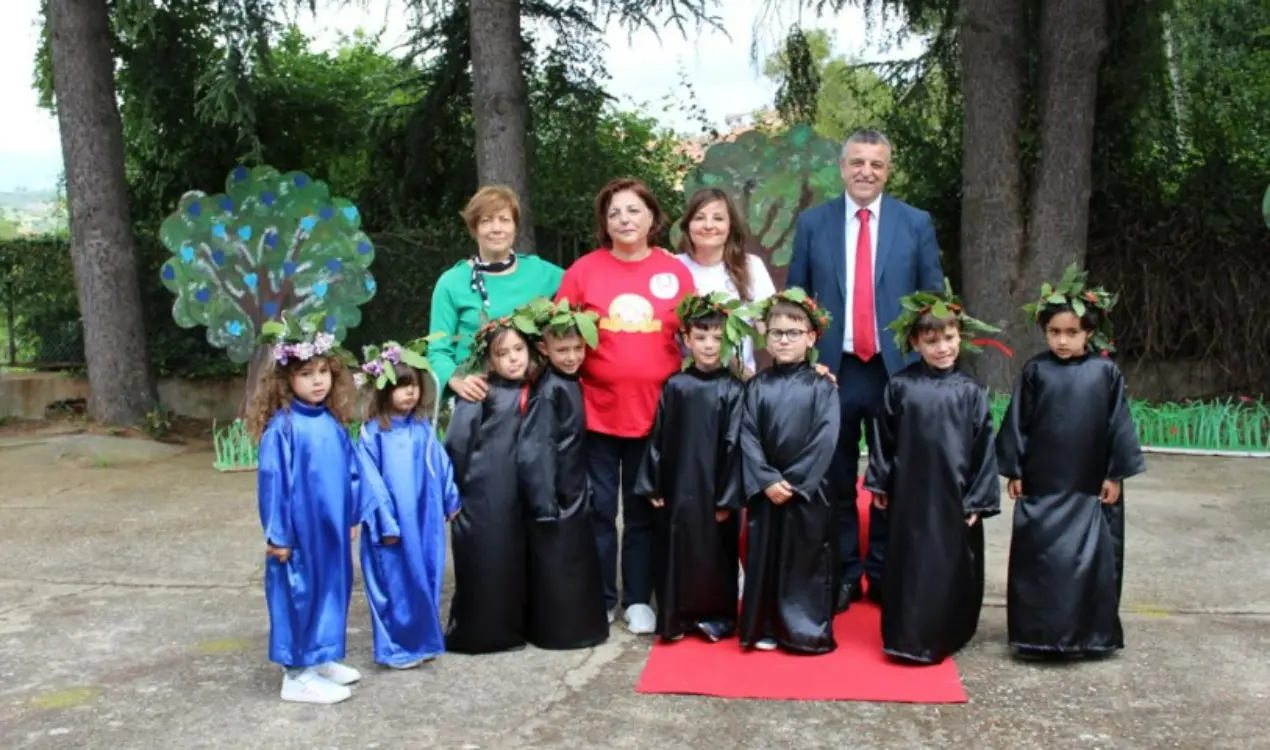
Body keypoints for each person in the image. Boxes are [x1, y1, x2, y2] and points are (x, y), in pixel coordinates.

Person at [787, 128, 945, 614]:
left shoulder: (914, 223)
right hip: (833, 371)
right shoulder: (813, 223)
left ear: (888, 171)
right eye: (857, 162)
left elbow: (932, 299)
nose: (866, 171)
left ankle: (883, 572)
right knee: (835, 478)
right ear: (842, 167)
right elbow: (797, 299)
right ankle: (843, 574)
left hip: (896, 371)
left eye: (876, 164)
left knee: (892, 477)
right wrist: (805, 363)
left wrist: (927, 365)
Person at [554, 177, 695, 635]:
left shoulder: (675, 272)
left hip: (654, 416)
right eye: (614, 213)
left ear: (652, 217)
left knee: (641, 512)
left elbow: (695, 334)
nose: (624, 219)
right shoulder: (583, 271)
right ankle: (600, 597)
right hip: (596, 412)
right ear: (604, 223)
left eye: (634, 210)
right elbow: (557, 334)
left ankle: (637, 598)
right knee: (597, 510)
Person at [996, 265, 1146, 659]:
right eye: (1054, 332)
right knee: (1041, 558)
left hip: (1089, 485)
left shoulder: (1105, 373)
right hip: (1043, 484)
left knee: (1091, 558)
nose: (1062, 341)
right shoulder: (1036, 371)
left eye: (1072, 332)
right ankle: (1038, 634)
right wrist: (1015, 469)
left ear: (1089, 333)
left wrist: (1114, 474)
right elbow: (1019, 421)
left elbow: (1118, 425)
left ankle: (1089, 635)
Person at [248, 321, 397, 705]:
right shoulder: (283, 428)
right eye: (306, 374)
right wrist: (278, 536)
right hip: (299, 535)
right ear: (287, 380)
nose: (318, 382)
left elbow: (351, 472)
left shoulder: (330, 421)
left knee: (332, 589)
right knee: (300, 594)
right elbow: (273, 484)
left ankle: (321, 655)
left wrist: (351, 516)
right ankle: (296, 674)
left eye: (323, 372)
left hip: (331, 531)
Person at [864, 282, 1002, 665]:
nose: (942, 348)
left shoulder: (970, 392)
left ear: (960, 337)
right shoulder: (901, 386)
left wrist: (977, 499)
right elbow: (883, 437)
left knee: (949, 563)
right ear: (915, 343)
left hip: (954, 496)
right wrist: (880, 481)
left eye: (949, 338)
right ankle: (907, 634)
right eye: (931, 341)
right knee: (909, 564)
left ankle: (946, 630)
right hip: (909, 494)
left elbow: (983, 447)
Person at [635, 291, 750, 643]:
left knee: (716, 552)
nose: (709, 345)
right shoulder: (676, 385)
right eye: (700, 337)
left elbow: (734, 444)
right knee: (677, 549)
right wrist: (653, 482)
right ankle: (677, 616)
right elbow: (659, 435)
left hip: (715, 489)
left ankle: (717, 616)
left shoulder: (733, 389)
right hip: (678, 485)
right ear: (686, 339)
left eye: (716, 337)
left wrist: (728, 497)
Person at [737, 289, 840, 654]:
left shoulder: (822, 387)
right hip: (767, 491)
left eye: (793, 333)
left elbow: (825, 437)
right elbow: (746, 434)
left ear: (811, 337)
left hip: (807, 491)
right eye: (777, 332)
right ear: (766, 337)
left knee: (805, 558)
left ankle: (804, 630)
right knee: (766, 556)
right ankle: (764, 625)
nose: (784, 340)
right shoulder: (756, 386)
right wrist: (766, 479)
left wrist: (794, 482)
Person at [354, 340, 461, 669]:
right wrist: (384, 523)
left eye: (413, 385)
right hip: (393, 525)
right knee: (395, 583)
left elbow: (441, 465)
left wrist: (450, 498)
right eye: (401, 386)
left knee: (425, 577)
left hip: (425, 520)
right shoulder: (373, 434)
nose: (410, 393)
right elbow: (369, 482)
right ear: (384, 391)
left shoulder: (422, 429)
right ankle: (397, 648)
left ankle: (423, 641)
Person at [516, 298, 610, 650]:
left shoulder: (570, 381)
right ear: (544, 349)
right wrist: (544, 501)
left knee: (574, 564)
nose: (571, 357)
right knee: (558, 566)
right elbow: (537, 448)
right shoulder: (550, 389)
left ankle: (580, 628)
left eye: (577, 348)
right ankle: (560, 632)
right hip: (556, 495)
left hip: (574, 488)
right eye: (562, 350)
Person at [442, 317, 534, 654]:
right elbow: (456, 444)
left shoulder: (535, 388)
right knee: (484, 563)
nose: (513, 358)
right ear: (489, 361)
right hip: (481, 495)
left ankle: (513, 629)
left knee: (512, 562)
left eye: (518, 349)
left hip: (516, 493)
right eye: (503, 353)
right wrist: (451, 494)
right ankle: (476, 633)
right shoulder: (478, 394)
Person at [428, 186, 564, 403]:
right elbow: (438, 349)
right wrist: (455, 379)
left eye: (504, 220)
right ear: (474, 229)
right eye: (486, 221)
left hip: (536, 397)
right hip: (478, 400)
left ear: (515, 227)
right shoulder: (451, 283)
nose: (496, 228)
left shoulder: (541, 272)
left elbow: (585, 288)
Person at [674, 188, 776, 376]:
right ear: (688, 225)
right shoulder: (671, 266)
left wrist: (803, 370)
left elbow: (770, 328)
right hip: (683, 382)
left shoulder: (751, 266)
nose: (708, 225)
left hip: (739, 380)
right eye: (699, 218)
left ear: (730, 226)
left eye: (718, 218)